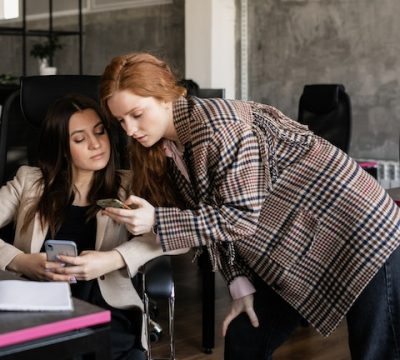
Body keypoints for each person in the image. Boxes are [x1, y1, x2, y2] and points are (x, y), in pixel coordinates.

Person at [98, 52, 400, 359]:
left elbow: (238, 218)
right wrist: (239, 284)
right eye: (121, 120)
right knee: (245, 336)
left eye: (136, 114)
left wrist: (157, 221)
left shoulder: (219, 128)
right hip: (297, 242)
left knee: (375, 350)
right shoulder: (170, 147)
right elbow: (213, 216)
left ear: (165, 96)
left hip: (362, 229)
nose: (129, 130)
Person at [0, 93, 185, 360]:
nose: (96, 145)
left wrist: (114, 259)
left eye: (100, 132)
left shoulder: (129, 185)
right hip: (41, 306)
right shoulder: (30, 183)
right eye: (80, 139)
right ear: (61, 147)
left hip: (106, 309)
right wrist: (20, 261)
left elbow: (183, 235)